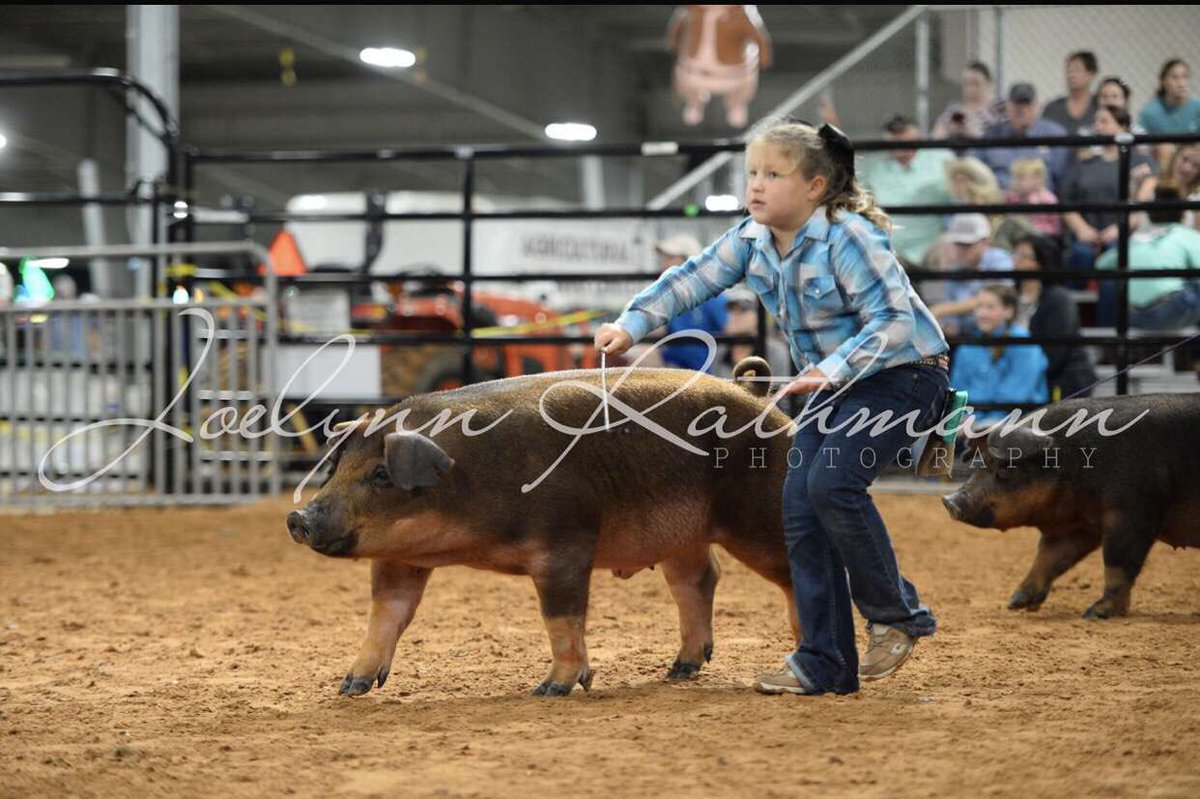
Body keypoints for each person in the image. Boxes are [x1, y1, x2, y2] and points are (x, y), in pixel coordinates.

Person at [594, 119, 950, 697]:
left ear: (814, 186)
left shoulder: (848, 235)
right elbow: (693, 279)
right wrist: (631, 323)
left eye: (773, 175)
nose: (756, 186)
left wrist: (829, 370)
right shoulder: (751, 239)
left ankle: (896, 612)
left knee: (831, 486)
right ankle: (824, 661)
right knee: (800, 510)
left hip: (902, 375)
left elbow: (894, 321)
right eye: (752, 173)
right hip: (827, 386)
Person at [1061, 105, 1159, 276]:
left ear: (1123, 127)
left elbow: (1141, 203)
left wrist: (1120, 228)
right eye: (1096, 122)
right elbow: (1067, 201)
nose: (1098, 127)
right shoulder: (1084, 165)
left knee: (1116, 254)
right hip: (1087, 235)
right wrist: (1082, 228)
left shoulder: (1141, 162)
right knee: (1081, 254)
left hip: (1126, 235)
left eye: (1104, 122)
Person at [1096, 185, 1200, 331]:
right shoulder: (1187, 235)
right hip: (1171, 311)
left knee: (1113, 281)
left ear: (1149, 213)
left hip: (1133, 314)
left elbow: (1101, 264)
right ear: (1182, 212)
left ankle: (1109, 346)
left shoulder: (1136, 238)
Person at [858, 114, 955, 267]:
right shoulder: (872, 165)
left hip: (933, 246)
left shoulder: (942, 159)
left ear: (917, 135)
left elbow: (962, 193)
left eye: (904, 133)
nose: (899, 138)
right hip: (891, 248)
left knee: (952, 249)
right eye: (894, 135)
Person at [625, 233, 729, 371]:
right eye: (664, 259)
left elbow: (731, 331)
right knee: (640, 354)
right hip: (675, 368)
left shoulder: (711, 296)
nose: (664, 264)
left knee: (643, 356)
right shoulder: (670, 298)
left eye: (671, 258)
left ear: (690, 262)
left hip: (700, 373)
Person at [1012, 234, 1097, 400]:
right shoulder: (1011, 296)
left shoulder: (1059, 299)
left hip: (1061, 379)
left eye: (1023, 256)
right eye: (1015, 254)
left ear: (1040, 262)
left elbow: (1056, 353)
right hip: (1022, 375)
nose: (1016, 261)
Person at [950, 284, 1049, 426]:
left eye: (990, 307)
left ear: (1008, 311)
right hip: (971, 422)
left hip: (1016, 421)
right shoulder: (967, 347)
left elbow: (1016, 396)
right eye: (979, 307)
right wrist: (958, 421)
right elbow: (957, 392)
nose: (982, 313)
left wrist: (978, 423)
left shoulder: (1024, 344)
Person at [973, 82, 1072, 192]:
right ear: (1007, 107)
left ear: (1036, 106)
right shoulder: (991, 135)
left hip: (1041, 204)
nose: (1022, 109)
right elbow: (973, 171)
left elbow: (1064, 180)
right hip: (1000, 203)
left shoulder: (1054, 134)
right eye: (1017, 104)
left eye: (1027, 104)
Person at [929, 213, 1014, 336]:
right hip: (968, 339)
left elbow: (997, 298)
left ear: (985, 242)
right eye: (958, 244)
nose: (961, 250)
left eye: (967, 245)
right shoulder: (955, 271)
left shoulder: (1000, 260)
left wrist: (941, 310)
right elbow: (953, 324)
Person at [1138, 59, 1200, 168]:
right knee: (1164, 148)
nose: (1181, 83)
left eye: (1185, 77)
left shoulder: (1197, 106)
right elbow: (1142, 147)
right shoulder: (1150, 112)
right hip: (1162, 163)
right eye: (1175, 78)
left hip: (1193, 161)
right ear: (1164, 82)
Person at [932, 61, 1003, 140]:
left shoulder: (999, 108)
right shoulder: (954, 110)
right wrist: (949, 130)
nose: (971, 89)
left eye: (976, 84)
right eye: (967, 83)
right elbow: (936, 137)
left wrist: (971, 132)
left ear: (988, 84)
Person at [1042, 51, 1099, 136]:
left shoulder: (1100, 106)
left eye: (1077, 70)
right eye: (1069, 71)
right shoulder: (1053, 108)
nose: (1071, 75)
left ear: (1091, 74)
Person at [1005, 158, 1061, 238]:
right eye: (1014, 177)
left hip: (1042, 238)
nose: (1016, 182)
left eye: (1021, 178)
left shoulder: (1047, 199)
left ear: (1037, 179)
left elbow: (1055, 228)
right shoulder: (1011, 197)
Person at [1163, 144, 1200, 230]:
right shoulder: (1150, 185)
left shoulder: (1196, 197)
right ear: (1174, 157)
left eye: (1196, 166)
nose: (1187, 169)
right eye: (1184, 159)